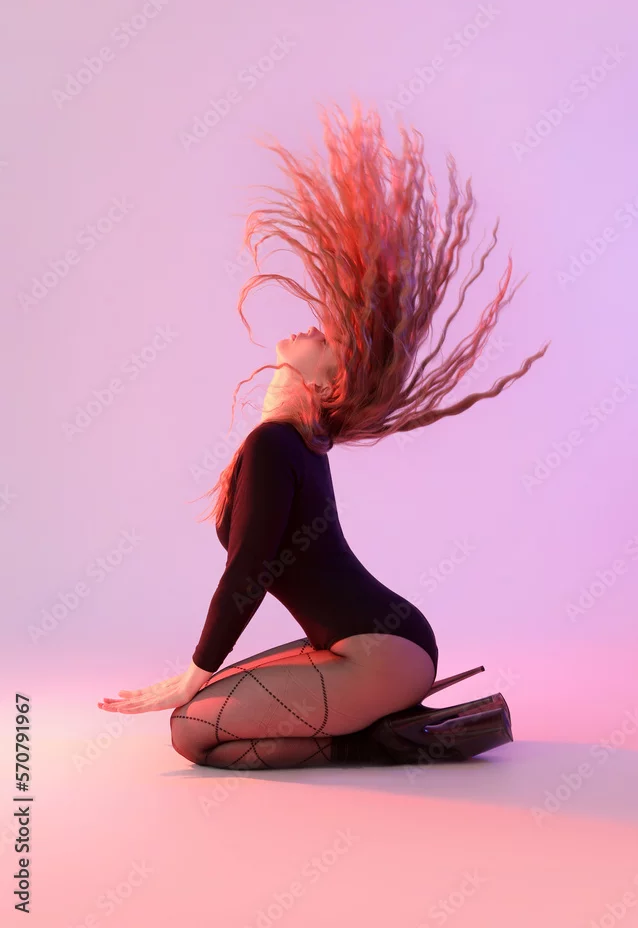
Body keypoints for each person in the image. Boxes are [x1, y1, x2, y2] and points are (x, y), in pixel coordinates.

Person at [97, 104, 549, 769]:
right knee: (200, 716)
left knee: (191, 729)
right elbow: (257, 564)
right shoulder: (293, 445)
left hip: (380, 653)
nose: (314, 327)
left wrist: (192, 673)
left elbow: (248, 570)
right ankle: (391, 722)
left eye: (329, 340)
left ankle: (391, 738)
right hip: (376, 644)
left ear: (326, 381)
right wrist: (200, 672)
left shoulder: (279, 445)